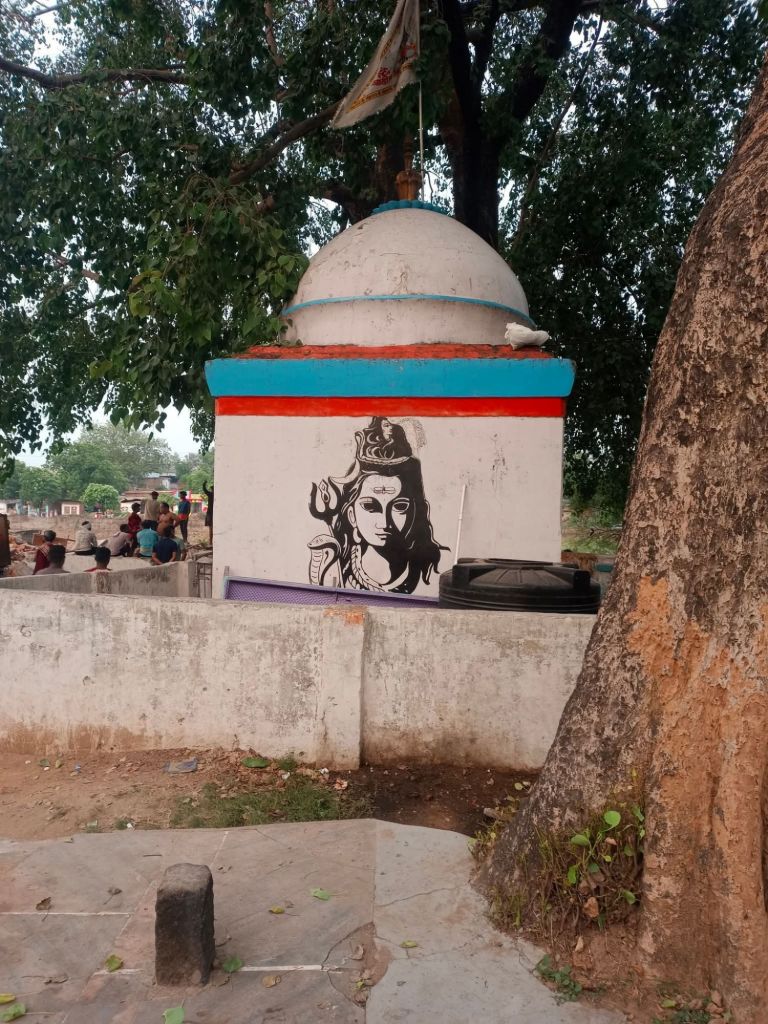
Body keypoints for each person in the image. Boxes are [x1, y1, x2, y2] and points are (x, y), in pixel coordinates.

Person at [308, 416, 447, 594]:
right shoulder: (331, 564)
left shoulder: (437, 571)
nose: (384, 523)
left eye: (399, 507)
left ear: (415, 512)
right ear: (351, 515)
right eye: (370, 507)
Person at [203, 481, 214, 545]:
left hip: (210, 513)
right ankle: (211, 542)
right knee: (211, 528)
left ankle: (210, 542)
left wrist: (204, 484)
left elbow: (205, 490)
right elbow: (205, 490)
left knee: (211, 528)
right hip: (211, 513)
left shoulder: (210, 494)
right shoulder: (211, 494)